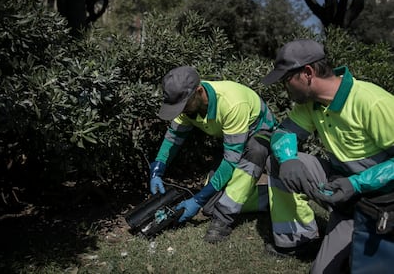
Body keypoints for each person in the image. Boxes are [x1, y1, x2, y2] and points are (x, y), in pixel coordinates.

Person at [261, 39, 394, 273]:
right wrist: (288, 158)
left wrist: (357, 183)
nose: (285, 88)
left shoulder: (373, 102)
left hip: (381, 203)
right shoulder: (311, 105)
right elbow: (284, 132)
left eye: (286, 80)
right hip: (342, 193)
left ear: (307, 73)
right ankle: (301, 238)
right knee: (277, 161)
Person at [149, 65, 276, 243]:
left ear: (199, 91)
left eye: (183, 106)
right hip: (233, 141)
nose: (181, 111)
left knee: (254, 152)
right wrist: (156, 171)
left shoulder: (232, 103)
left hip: (260, 134)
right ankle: (273, 196)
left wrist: (197, 199)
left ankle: (223, 220)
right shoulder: (187, 103)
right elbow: (173, 138)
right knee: (209, 206)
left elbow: (231, 160)